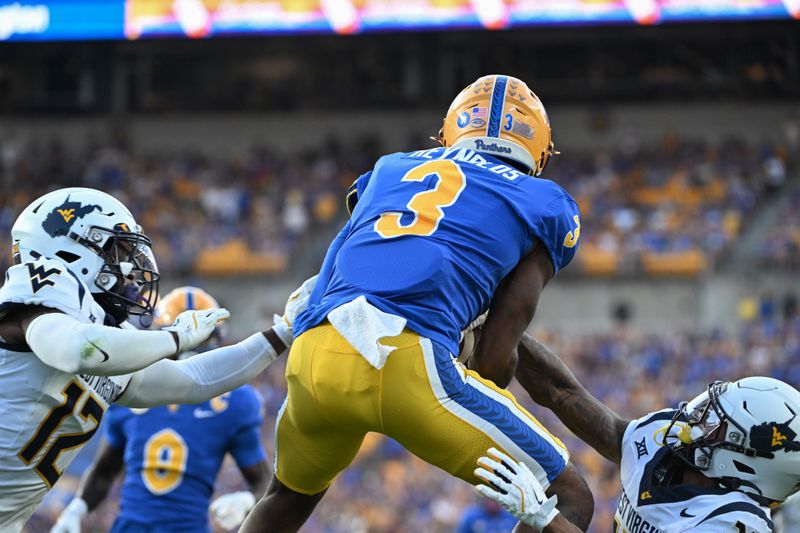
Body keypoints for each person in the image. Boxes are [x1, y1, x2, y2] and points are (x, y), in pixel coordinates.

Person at [240, 75, 592, 533]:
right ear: (539, 149)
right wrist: (471, 357)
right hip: (409, 360)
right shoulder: (545, 201)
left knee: (284, 499)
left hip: (314, 356)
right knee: (567, 496)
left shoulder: (389, 167)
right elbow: (495, 359)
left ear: (449, 132)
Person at [0, 187, 309, 532]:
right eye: (115, 251)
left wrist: (282, 333)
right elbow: (75, 350)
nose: (129, 269)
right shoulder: (42, 293)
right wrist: (173, 338)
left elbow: (194, 380)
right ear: (70, 250)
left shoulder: (109, 345)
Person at [475, 334, 799, 532]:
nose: (698, 419)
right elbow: (562, 393)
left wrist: (546, 519)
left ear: (747, 462)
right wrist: (502, 324)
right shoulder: (664, 442)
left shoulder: (733, 522)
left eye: (718, 423)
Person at [50, 287, 270, 533]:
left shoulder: (234, 401)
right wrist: (77, 508)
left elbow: (261, 480)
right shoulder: (131, 383)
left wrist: (247, 500)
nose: (193, 346)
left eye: (202, 337)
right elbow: (104, 471)